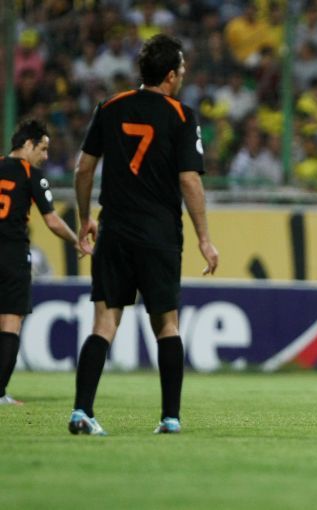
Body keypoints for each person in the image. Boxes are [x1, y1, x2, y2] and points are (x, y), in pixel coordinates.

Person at [70, 34, 219, 435]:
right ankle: (170, 418)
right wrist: (204, 238)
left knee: (104, 324)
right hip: (159, 233)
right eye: (182, 69)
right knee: (167, 325)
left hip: (115, 229)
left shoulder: (110, 106)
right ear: (170, 75)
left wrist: (85, 218)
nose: (183, 75)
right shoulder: (182, 115)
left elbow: (83, 169)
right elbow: (189, 180)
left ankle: (82, 411)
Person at [0, 120, 81, 405]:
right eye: (42, 149)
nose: (45, 156)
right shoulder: (30, 174)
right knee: (10, 322)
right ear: (27, 144)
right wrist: (76, 240)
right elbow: (52, 220)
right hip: (12, 255)